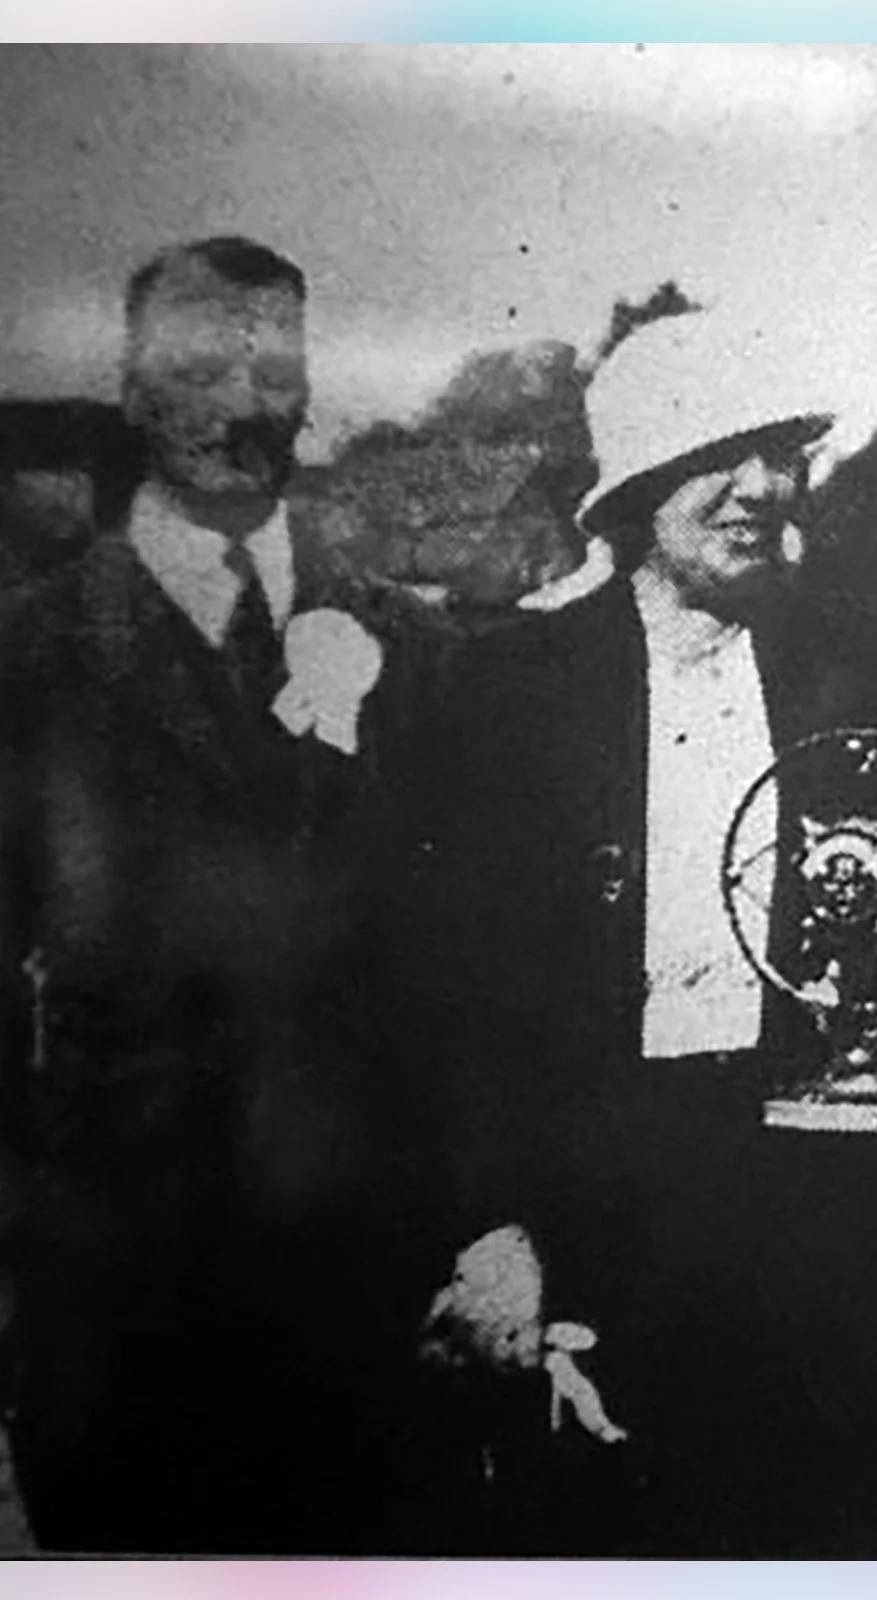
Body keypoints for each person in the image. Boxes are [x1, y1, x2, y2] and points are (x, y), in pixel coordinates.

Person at [385, 309, 877, 1556]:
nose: (760, 487)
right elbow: (439, 996)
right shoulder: (505, 692)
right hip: (588, 1213)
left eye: (782, 452)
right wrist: (491, 1227)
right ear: (639, 484)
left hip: (815, 1209)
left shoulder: (854, 666)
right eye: (721, 453)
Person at [0, 236, 424, 1553]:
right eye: (197, 368)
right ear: (131, 392)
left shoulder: (409, 644)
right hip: (117, 1303)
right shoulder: (32, 650)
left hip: (357, 1292)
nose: (240, 406)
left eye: (273, 366)